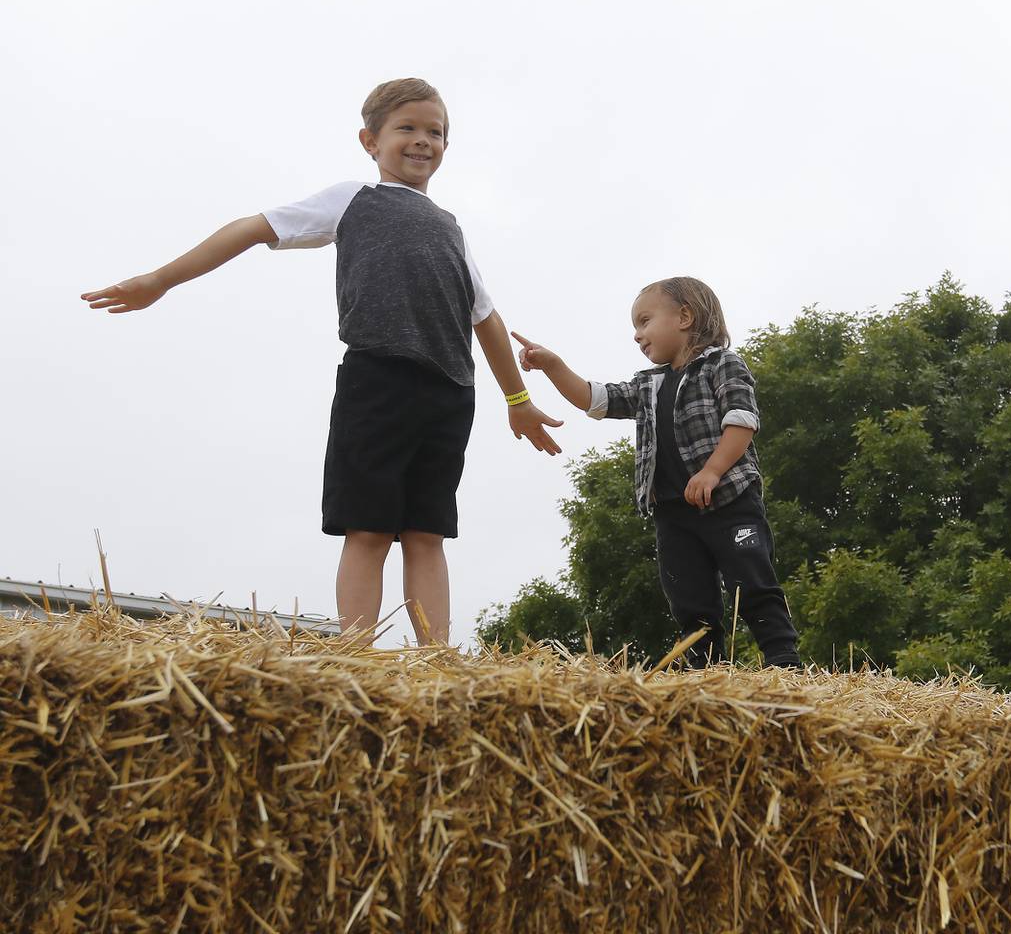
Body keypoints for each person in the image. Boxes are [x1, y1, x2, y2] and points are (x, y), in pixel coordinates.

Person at [80, 78, 562, 645]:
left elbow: (487, 318)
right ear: (370, 140)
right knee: (369, 528)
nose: (422, 141)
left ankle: (438, 660)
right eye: (406, 127)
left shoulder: (452, 228)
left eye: (436, 132)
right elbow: (252, 228)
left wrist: (518, 400)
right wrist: (160, 279)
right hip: (377, 378)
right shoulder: (353, 198)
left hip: (450, 392)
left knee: (427, 532)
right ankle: (355, 652)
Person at [512, 277, 801, 668]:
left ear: (684, 316)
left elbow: (741, 420)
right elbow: (595, 399)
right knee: (689, 599)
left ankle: (783, 660)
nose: (637, 335)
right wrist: (552, 365)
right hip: (673, 513)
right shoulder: (647, 384)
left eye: (644, 321)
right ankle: (703, 670)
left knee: (751, 583)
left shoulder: (721, 364)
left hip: (730, 501)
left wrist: (712, 472)